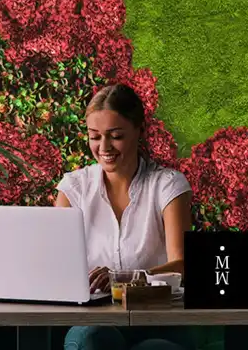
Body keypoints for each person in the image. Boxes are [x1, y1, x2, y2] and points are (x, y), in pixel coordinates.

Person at [54, 83, 197, 350]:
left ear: (139, 131)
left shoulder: (167, 185)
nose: (103, 147)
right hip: (94, 321)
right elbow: (55, 266)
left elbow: (182, 263)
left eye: (115, 135)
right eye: (94, 136)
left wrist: (122, 278)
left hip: (159, 321)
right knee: (89, 339)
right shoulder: (74, 188)